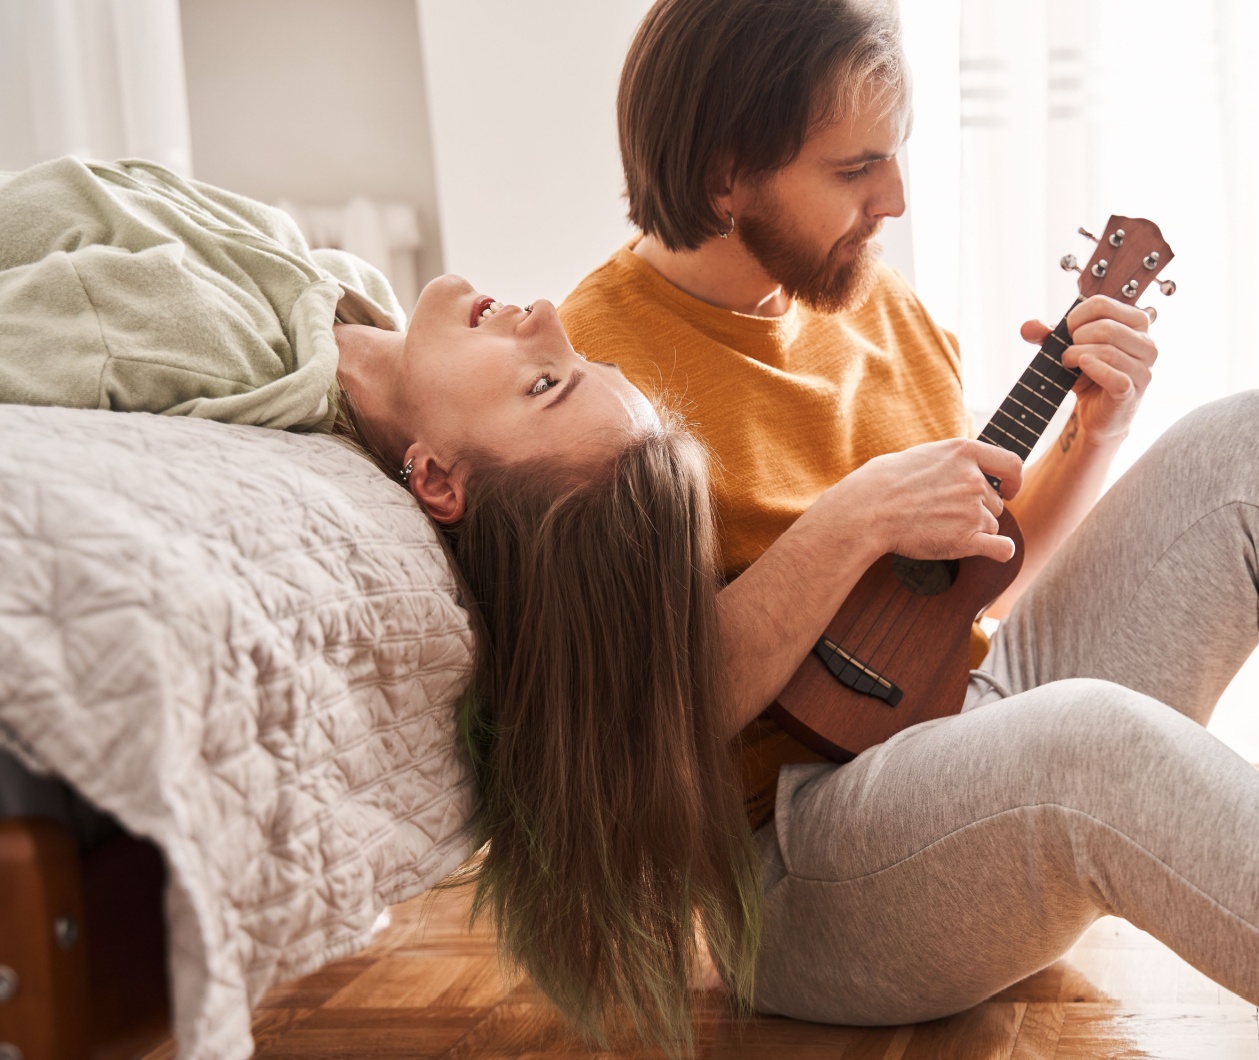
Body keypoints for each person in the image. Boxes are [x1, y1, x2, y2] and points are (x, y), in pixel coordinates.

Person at [555, 0, 1259, 1056]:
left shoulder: (871, 306)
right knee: (1091, 741)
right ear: (723, 174)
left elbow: (961, 591)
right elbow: (646, 725)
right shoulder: (589, 381)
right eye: (852, 169)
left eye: (898, 153)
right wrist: (850, 518)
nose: (895, 198)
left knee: (1254, 444)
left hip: (961, 728)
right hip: (792, 868)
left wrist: (1097, 432)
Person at [0, 156, 763, 1048]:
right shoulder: (358, 299)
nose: (553, 317)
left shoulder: (174, 336)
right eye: (579, 361)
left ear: (437, 481)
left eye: (543, 382)